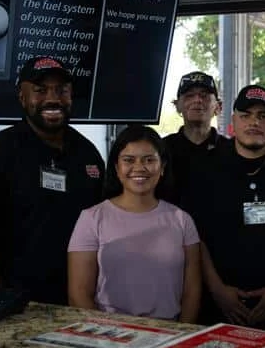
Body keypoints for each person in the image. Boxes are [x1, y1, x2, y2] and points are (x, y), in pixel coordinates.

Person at [0, 56, 104, 305]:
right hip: (20, 303)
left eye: (62, 90)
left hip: (83, 301)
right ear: (22, 97)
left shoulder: (88, 154)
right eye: (40, 90)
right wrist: (1, 298)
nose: (53, 99)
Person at [185, 85, 265, 334]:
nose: (254, 122)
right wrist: (217, 290)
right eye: (246, 115)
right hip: (218, 304)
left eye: (263, 116)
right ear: (233, 120)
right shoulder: (206, 167)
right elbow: (194, 236)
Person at [68, 126, 201, 322]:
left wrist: (180, 338)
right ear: (116, 167)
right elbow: (78, 294)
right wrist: (108, 336)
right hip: (108, 335)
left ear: (162, 166)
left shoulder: (182, 220)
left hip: (168, 334)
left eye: (149, 160)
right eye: (129, 160)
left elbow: (192, 292)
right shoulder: (92, 218)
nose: (139, 168)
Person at [163, 71, 227, 205]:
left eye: (204, 95)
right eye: (189, 95)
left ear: (218, 107)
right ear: (177, 106)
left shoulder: (232, 150)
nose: (197, 100)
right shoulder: (161, 149)